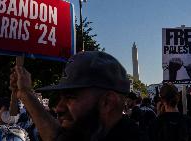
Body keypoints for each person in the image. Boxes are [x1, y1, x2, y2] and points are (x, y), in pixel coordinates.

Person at [10, 51, 149, 141]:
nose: (58, 108)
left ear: (107, 102)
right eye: (61, 97)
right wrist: (25, 93)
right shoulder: (92, 132)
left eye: (71, 97)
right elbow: (56, 137)